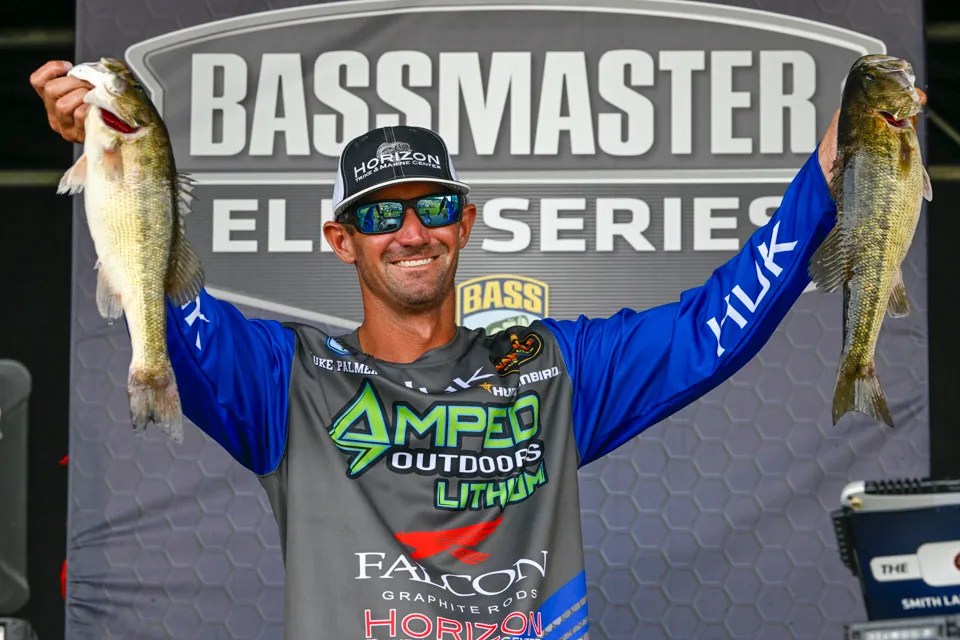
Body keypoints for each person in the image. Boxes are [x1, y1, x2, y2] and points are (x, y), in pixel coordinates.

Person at [33, 58, 842, 639]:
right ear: (343, 240)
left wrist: (830, 176)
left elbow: (711, 330)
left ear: (465, 223)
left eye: (434, 207)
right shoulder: (286, 381)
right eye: (382, 215)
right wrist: (117, 155)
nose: (412, 232)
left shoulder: (549, 369)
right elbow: (168, 299)